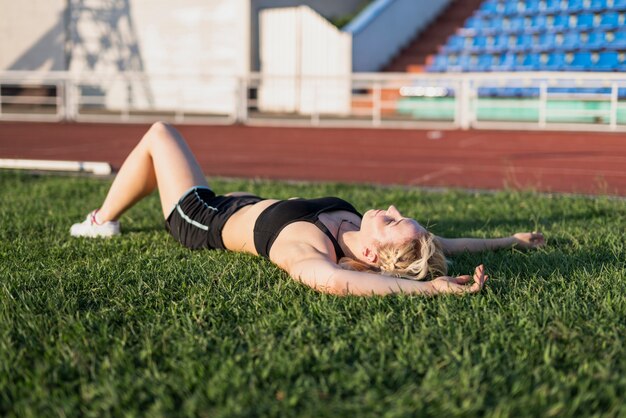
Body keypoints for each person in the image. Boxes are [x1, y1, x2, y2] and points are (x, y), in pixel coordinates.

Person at [70, 122, 545, 296]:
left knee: (159, 135)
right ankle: (108, 212)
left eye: (395, 222)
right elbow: (442, 244)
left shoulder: (308, 246)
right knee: (161, 148)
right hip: (236, 201)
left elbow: (336, 281)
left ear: (377, 257)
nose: (394, 208)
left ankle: (101, 221)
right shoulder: (361, 231)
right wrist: (510, 241)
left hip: (199, 216)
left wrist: (431, 291)